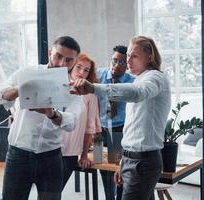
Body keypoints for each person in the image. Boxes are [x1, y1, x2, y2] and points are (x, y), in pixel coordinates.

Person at [70, 35, 171, 200]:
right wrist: (124, 162)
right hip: (100, 132)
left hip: (127, 143)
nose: (127, 61)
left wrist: (93, 88)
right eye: (124, 57)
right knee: (99, 165)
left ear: (150, 57)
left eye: (133, 56)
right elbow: (134, 124)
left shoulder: (152, 78)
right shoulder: (104, 74)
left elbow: (137, 93)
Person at [0, 36, 82, 200]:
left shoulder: (73, 89)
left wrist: (51, 113)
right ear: (49, 53)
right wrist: (20, 89)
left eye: (68, 60)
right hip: (18, 155)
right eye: (58, 56)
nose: (62, 63)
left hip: (51, 158)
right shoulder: (27, 73)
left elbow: (71, 123)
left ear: (75, 62)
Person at [97, 45, 134, 200]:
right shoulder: (98, 75)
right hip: (98, 130)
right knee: (100, 165)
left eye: (121, 62)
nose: (116, 65)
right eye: (114, 60)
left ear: (127, 65)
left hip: (119, 130)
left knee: (117, 169)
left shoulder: (132, 82)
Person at [61, 53, 102, 190]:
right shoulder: (58, 86)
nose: (81, 72)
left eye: (86, 70)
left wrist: (84, 155)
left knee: (54, 192)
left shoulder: (90, 94)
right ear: (71, 66)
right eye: (79, 67)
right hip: (48, 150)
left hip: (70, 152)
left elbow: (90, 128)